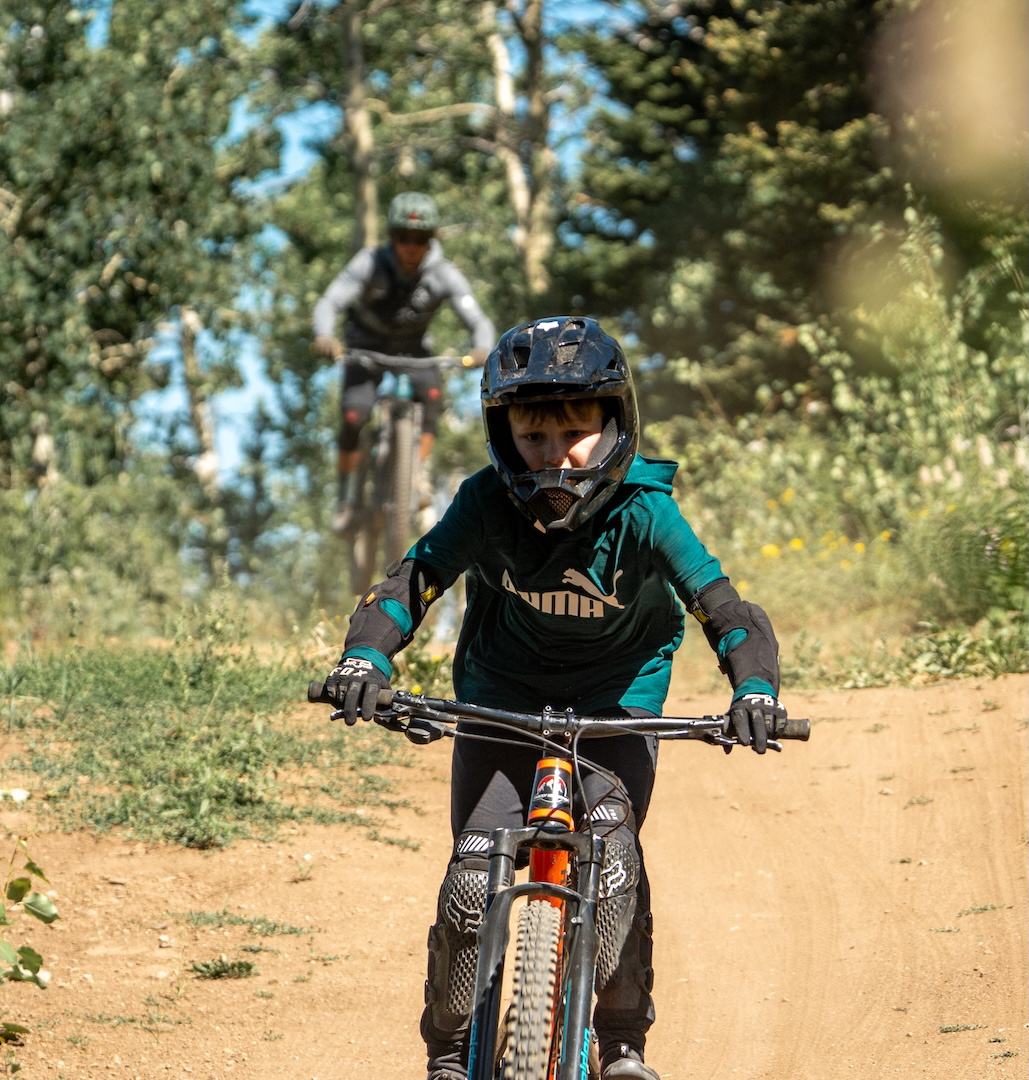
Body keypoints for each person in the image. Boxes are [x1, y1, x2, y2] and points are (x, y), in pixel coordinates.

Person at [319, 316, 787, 1080]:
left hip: (618, 695)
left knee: (612, 858)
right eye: (532, 437)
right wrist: (364, 661)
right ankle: (450, 1051)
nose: (553, 456)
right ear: (502, 436)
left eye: (574, 433)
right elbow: (412, 582)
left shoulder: (645, 510)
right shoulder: (484, 503)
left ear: (614, 429)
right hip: (500, 693)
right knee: (474, 876)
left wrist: (756, 690)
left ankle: (623, 1042)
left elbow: (724, 609)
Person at [312, 191, 496, 534]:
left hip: (413, 350)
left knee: (433, 398)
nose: (412, 246)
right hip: (364, 348)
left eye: (421, 238)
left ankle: (414, 474)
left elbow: (479, 321)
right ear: (391, 238)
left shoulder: (443, 274)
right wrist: (324, 335)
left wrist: (483, 348)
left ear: (432, 239)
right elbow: (329, 303)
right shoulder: (369, 263)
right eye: (403, 238)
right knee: (355, 414)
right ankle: (346, 495)